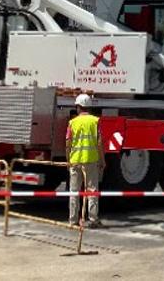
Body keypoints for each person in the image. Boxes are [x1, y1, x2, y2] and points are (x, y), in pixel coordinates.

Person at [67, 93, 103, 227]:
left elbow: (68, 143)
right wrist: (102, 160)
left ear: (78, 107)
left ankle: (73, 220)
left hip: (75, 160)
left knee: (74, 191)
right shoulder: (95, 121)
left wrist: (68, 160)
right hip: (91, 160)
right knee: (92, 190)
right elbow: (99, 143)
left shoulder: (72, 122)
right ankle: (93, 219)